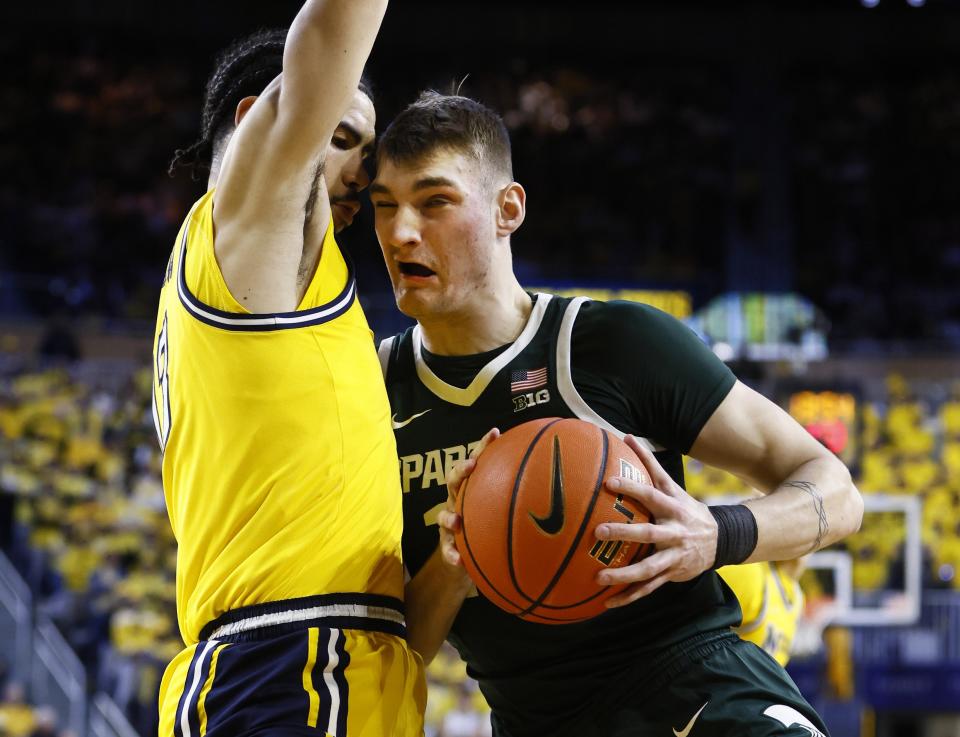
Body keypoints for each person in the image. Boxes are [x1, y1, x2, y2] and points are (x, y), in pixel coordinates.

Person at [370, 92, 863, 737]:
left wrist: (718, 534)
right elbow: (395, 650)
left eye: (434, 202)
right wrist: (452, 567)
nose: (401, 231)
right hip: (530, 718)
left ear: (507, 209)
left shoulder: (613, 343)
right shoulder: (369, 393)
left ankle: (772, 597)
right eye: (384, 206)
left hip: (697, 690)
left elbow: (835, 490)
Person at [152, 4, 424, 736]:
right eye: (343, 138)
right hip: (290, 665)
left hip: (305, 663)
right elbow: (327, 41)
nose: (363, 172)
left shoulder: (269, 269)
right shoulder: (249, 225)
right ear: (255, 122)